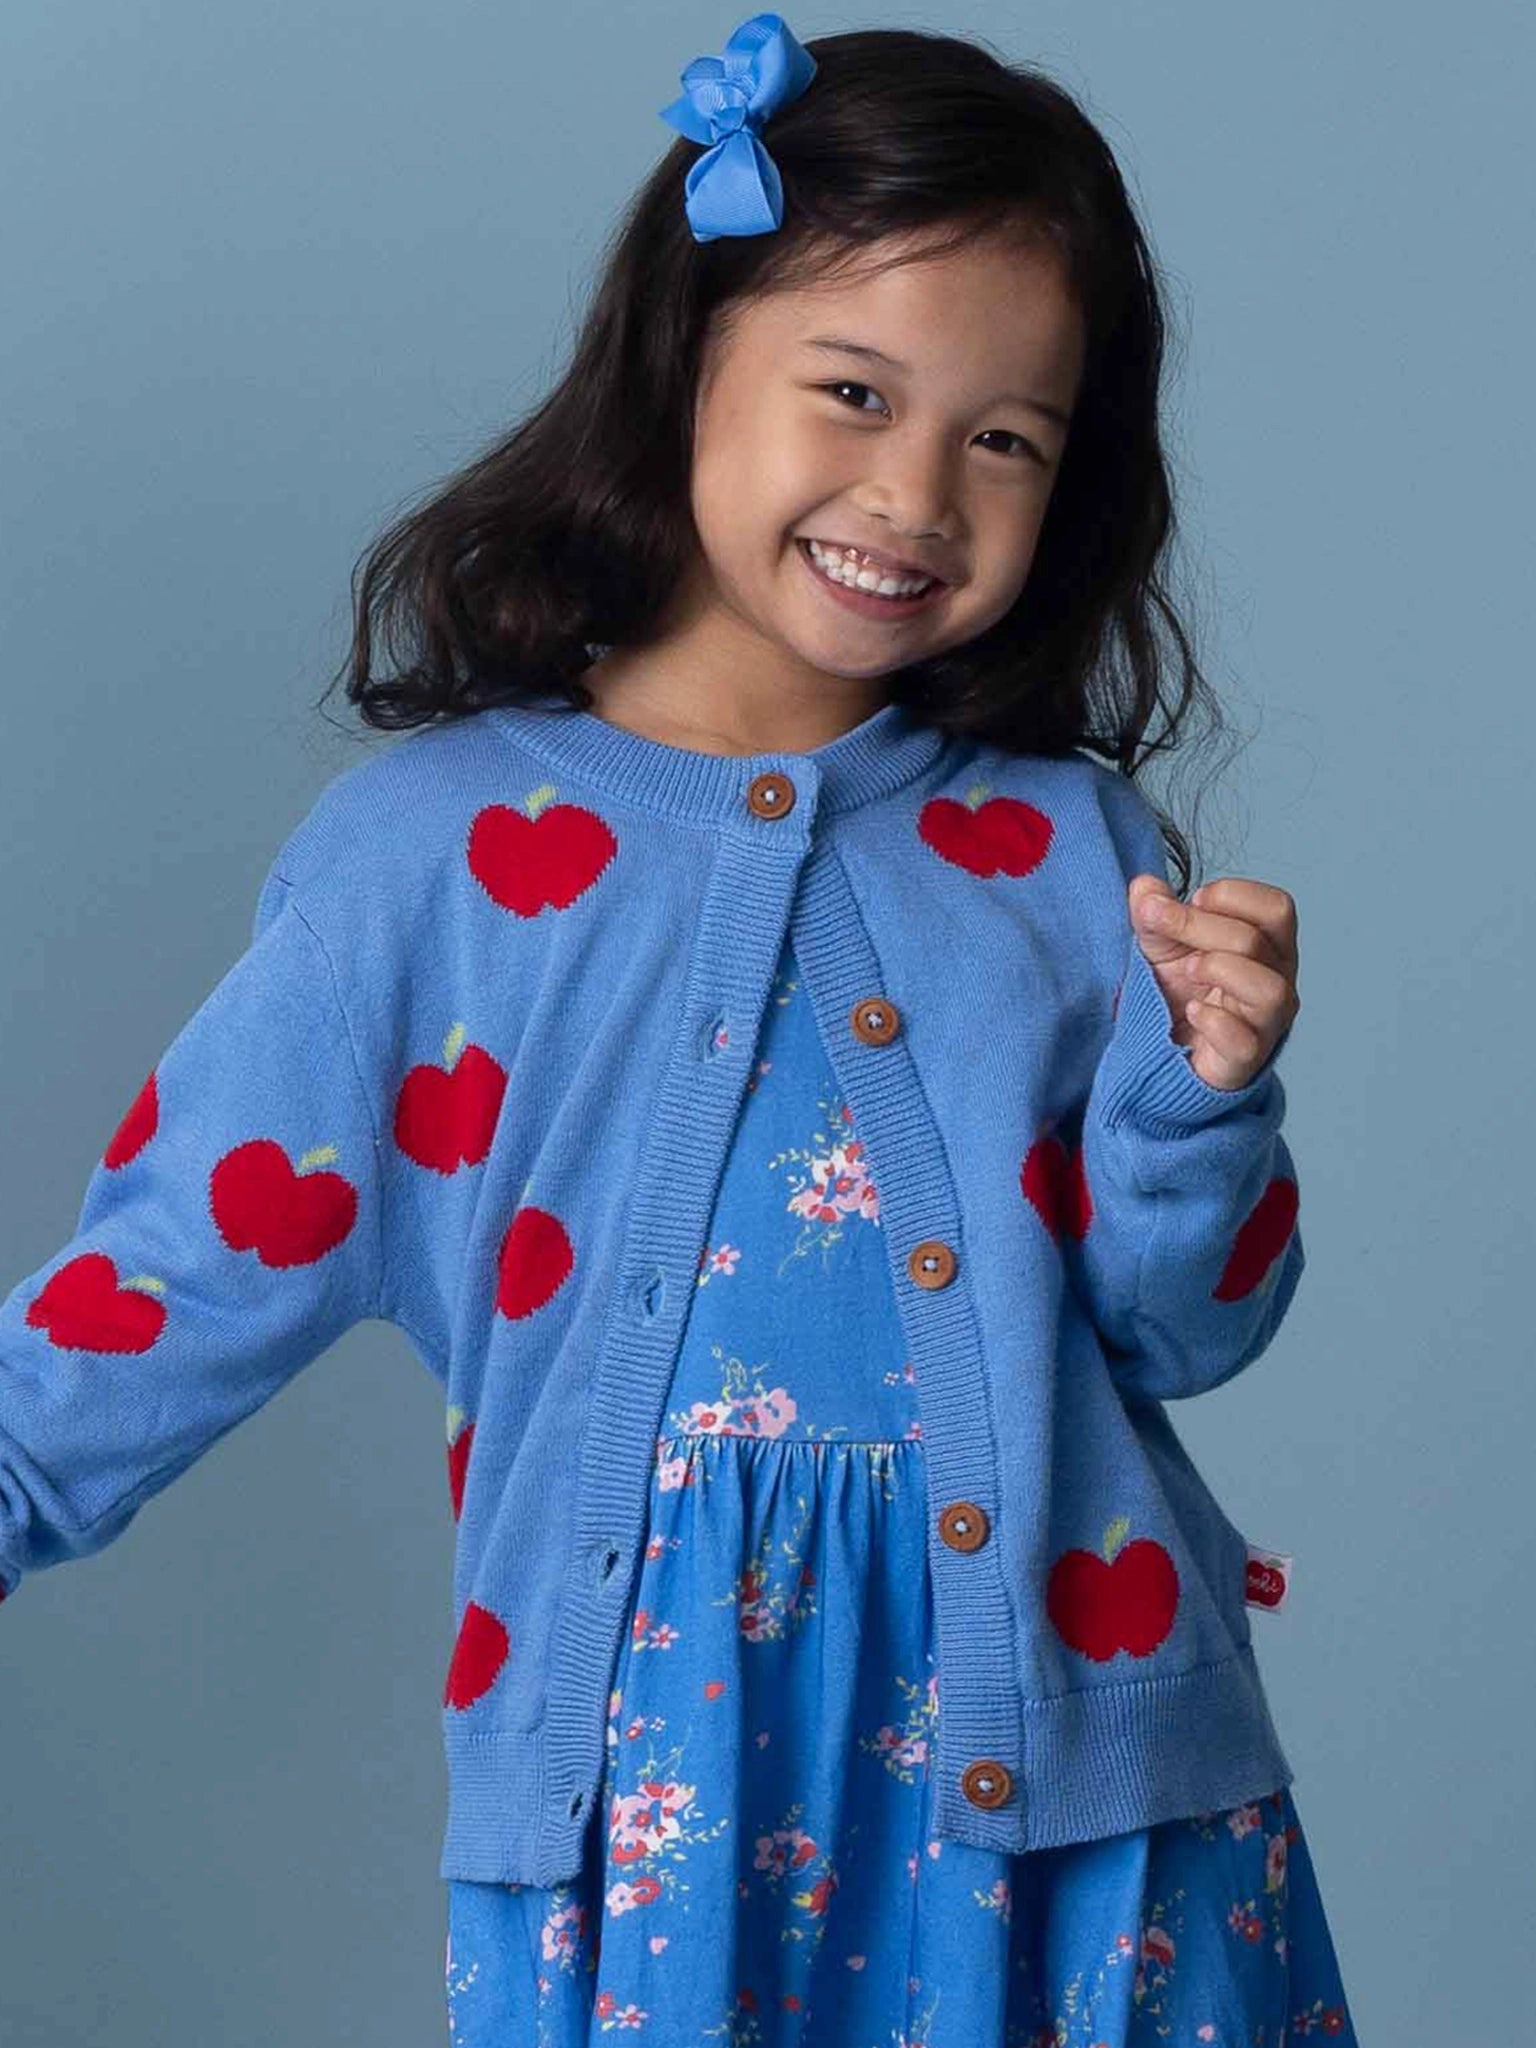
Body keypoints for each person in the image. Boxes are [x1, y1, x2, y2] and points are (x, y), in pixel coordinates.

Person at [0, 12, 1359, 2043]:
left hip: (1097, 1788)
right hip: (650, 1805)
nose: (915, 491)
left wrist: (1206, 1101)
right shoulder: (430, 861)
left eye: (1006, 436)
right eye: (853, 389)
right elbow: (177, 1269)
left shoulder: (1076, 849)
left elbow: (1189, 1325)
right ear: (683, 363)